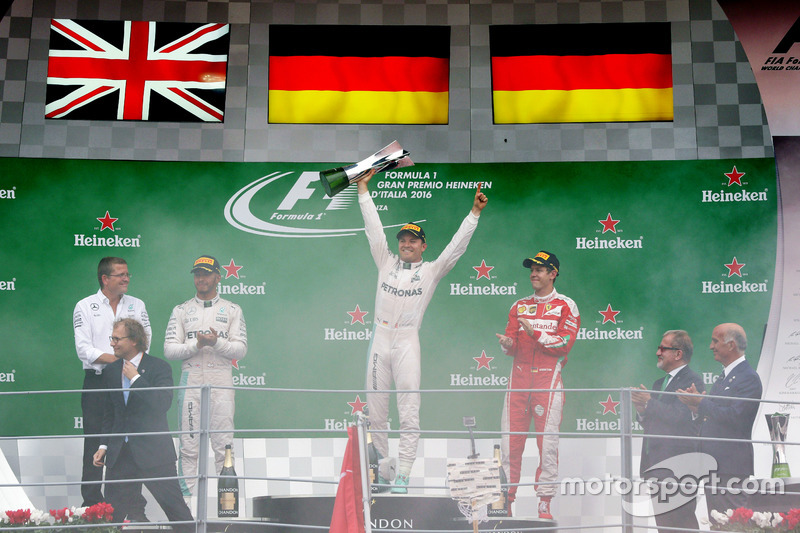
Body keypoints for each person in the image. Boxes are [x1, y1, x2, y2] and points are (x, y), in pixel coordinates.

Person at [357, 169, 488, 493]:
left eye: (412, 240)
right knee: (375, 414)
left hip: (406, 341)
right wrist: (362, 191)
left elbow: (455, 249)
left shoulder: (431, 271)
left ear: (423, 246)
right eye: (402, 240)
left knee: (409, 411)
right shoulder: (385, 262)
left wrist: (473, 214)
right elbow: (374, 231)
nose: (405, 244)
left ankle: (403, 475)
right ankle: (384, 474)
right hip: (380, 337)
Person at [496, 251, 579, 520]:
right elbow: (512, 342)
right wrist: (508, 345)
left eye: (540, 269)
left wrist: (536, 333)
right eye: (531, 268)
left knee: (548, 445)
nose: (533, 273)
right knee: (510, 445)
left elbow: (564, 343)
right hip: (518, 381)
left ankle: (544, 503)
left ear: (553, 273)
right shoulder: (518, 305)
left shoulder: (566, 305)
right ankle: (505, 501)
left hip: (547, 381)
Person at [92, 318, 193, 532]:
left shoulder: (159, 367)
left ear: (135, 341)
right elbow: (110, 413)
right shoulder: (110, 371)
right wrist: (104, 446)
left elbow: (162, 404)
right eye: (112, 338)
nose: (112, 343)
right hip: (119, 455)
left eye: (117, 339)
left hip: (153, 454)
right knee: (111, 518)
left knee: (177, 512)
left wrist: (136, 379)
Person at [164, 255, 248, 502]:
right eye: (197, 273)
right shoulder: (181, 310)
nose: (201, 278)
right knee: (188, 449)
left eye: (206, 273)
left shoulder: (232, 310)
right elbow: (169, 349)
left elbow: (240, 349)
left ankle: (227, 512)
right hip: (190, 381)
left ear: (217, 277)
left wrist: (216, 342)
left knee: (224, 447)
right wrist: (196, 345)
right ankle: (186, 516)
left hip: (221, 381)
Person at [73, 256, 150, 514]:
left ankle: (132, 508)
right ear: (105, 279)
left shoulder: (137, 305)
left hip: (129, 381)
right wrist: (119, 360)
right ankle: (92, 508)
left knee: (130, 445)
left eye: (128, 274)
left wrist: (123, 365)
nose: (127, 278)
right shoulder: (85, 306)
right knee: (95, 443)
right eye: (121, 275)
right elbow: (84, 350)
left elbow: (145, 342)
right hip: (98, 383)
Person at [678, 323, 763, 519]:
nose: (710, 346)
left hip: (730, 465)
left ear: (731, 345)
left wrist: (701, 402)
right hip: (715, 465)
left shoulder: (748, 377)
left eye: (715, 341)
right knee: (718, 522)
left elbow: (736, 418)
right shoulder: (727, 376)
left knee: (733, 524)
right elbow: (715, 415)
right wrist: (696, 407)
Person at [631, 330, 705, 533]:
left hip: (678, 468)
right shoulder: (658, 383)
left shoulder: (693, 381)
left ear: (678, 354)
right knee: (664, 526)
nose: (657, 352)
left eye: (663, 348)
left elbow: (681, 418)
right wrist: (642, 411)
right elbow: (655, 425)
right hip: (656, 466)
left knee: (682, 524)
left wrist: (649, 402)